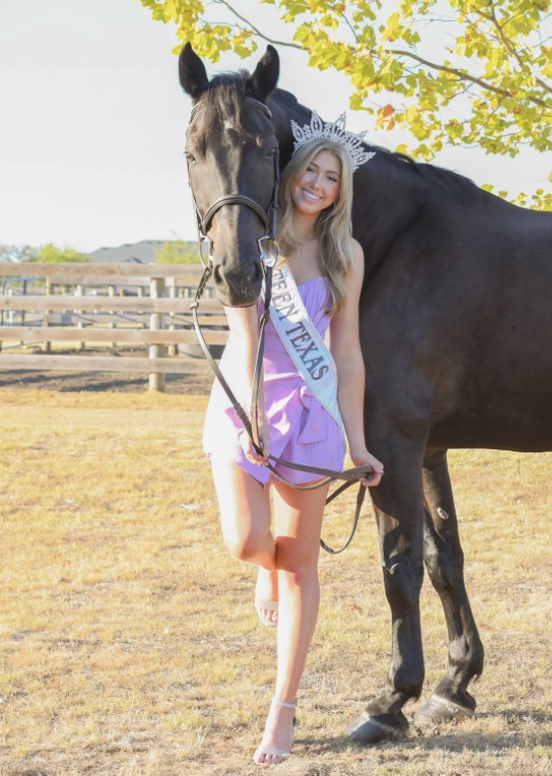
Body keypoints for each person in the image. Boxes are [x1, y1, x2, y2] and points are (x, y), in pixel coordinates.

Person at [202, 114, 383, 765]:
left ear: (341, 191)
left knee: (301, 563)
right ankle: (264, 572)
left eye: (332, 177)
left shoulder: (346, 256)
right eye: (311, 169)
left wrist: (358, 444)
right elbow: (246, 337)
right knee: (249, 541)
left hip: (313, 417)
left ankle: (283, 711)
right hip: (246, 400)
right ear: (292, 172)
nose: (318, 183)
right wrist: (251, 415)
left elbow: (349, 354)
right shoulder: (254, 239)